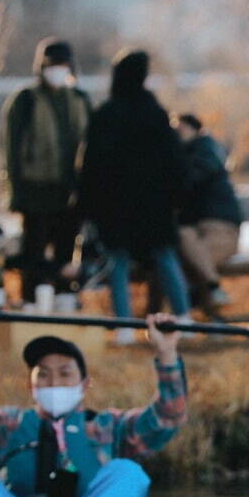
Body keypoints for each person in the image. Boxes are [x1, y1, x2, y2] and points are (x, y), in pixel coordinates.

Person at [0, 304, 186, 497]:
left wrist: (167, 354)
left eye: (65, 374)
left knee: (128, 473)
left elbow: (167, 418)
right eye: (43, 375)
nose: (53, 383)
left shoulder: (109, 427)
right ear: (30, 385)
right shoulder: (7, 425)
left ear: (84, 384)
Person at [77, 49, 191, 335]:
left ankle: (124, 326)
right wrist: (176, 197)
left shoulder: (106, 116)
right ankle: (184, 319)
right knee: (165, 257)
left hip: (115, 205)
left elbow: (90, 166)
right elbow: (175, 161)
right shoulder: (155, 114)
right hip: (154, 204)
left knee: (118, 262)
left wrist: (89, 205)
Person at [0, 38, 91, 303]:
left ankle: (65, 301)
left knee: (66, 251)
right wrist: (16, 193)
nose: (58, 70)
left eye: (63, 65)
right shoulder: (25, 100)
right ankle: (31, 303)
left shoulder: (80, 99)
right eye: (52, 65)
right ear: (41, 67)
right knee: (34, 254)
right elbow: (11, 150)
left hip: (72, 193)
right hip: (35, 191)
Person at [173, 112, 244, 313]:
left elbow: (192, 179)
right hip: (198, 232)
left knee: (184, 261)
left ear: (194, 129)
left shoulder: (205, 151)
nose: (177, 134)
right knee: (181, 245)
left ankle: (203, 306)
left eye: (180, 129)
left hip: (222, 229)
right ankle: (213, 293)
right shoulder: (198, 152)